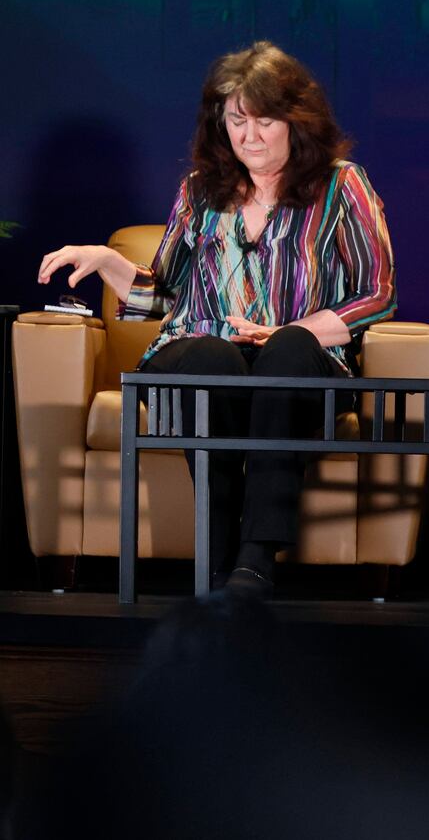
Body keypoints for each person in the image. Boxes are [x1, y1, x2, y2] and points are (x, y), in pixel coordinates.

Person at [37, 41, 396, 599]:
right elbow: (161, 300)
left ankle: (255, 558)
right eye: (236, 121)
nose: (249, 137)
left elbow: (378, 295)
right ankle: (216, 552)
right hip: (204, 351)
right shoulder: (201, 190)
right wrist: (110, 264)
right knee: (207, 353)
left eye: (265, 121)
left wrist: (291, 331)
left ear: (296, 121)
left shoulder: (340, 185)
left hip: (300, 360)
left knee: (288, 350)